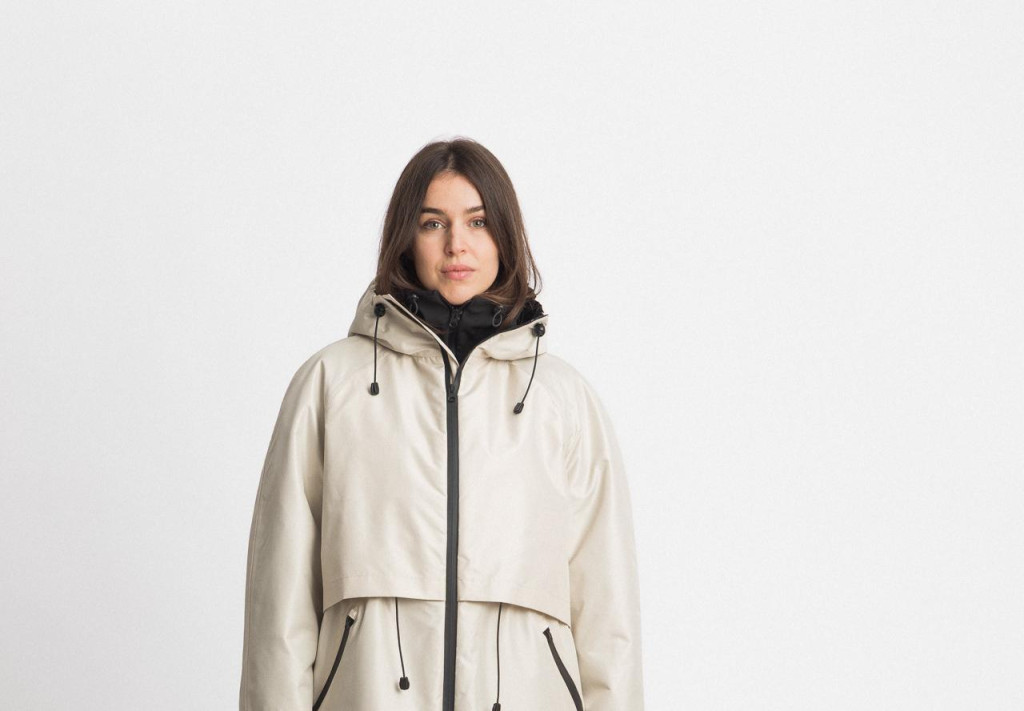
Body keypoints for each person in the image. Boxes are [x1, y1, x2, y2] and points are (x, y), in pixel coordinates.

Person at [239, 137, 644, 711]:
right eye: (433, 223)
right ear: (406, 237)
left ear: (505, 236)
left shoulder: (563, 400)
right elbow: (279, 607)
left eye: (478, 222)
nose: (457, 243)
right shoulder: (331, 384)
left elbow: (608, 617)